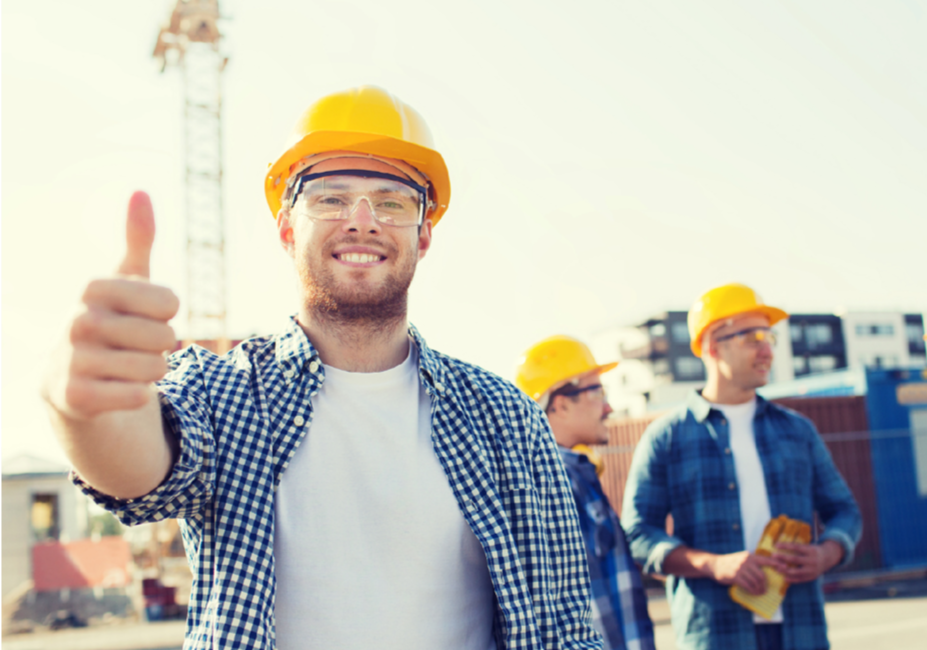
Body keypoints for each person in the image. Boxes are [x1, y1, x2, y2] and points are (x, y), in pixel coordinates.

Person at [43, 86, 603, 650]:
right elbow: (139, 472)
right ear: (288, 229)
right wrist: (80, 408)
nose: (362, 222)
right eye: (331, 198)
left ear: (423, 235)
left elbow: (565, 630)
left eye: (392, 202)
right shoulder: (225, 392)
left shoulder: (504, 418)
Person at [621, 283, 862, 650]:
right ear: (712, 347)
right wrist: (712, 565)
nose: (767, 350)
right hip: (715, 634)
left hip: (801, 629)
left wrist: (826, 553)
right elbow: (638, 534)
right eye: (753, 337)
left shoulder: (797, 430)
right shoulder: (665, 437)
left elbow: (844, 511)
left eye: (769, 337)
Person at [515, 336, 656, 650]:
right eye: (598, 392)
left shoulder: (574, 474)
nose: (609, 407)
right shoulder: (552, 484)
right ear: (561, 404)